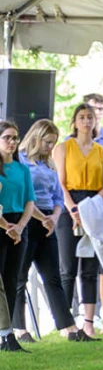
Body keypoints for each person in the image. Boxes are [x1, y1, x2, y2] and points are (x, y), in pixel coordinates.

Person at [14, 120, 87, 343]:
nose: (49, 147)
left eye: (53, 143)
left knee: (53, 277)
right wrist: (40, 217)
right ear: (36, 138)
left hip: (48, 222)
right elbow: (24, 194)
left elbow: (57, 196)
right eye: (47, 142)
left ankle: (68, 327)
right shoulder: (21, 161)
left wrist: (54, 217)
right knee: (20, 278)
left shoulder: (49, 164)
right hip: (28, 219)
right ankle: (20, 330)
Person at [53, 103, 103, 338]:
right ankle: (67, 324)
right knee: (68, 266)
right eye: (82, 117)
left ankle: (88, 321)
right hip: (70, 204)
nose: (87, 121)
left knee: (90, 267)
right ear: (75, 122)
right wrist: (73, 209)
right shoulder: (63, 148)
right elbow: (60, 182)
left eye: (90, 117)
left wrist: (91, 208)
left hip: (94, 204)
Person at [0, 122, 37, 352]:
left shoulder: (23, 170)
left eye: (15, 137)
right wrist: (7, 226)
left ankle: (7, 333)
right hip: (3, 223)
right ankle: (4, 332)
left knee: (12, 279)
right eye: (7, 138)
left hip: (17, 225)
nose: (12, 142)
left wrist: (20, 227)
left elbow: (30, 201)